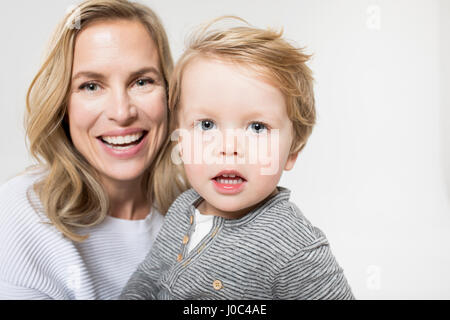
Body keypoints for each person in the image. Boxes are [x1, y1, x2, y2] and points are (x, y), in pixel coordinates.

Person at [120, 17, 355, 300]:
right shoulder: (184, 208)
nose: (229, 148)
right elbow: (148, 278)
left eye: (257, 127)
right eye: (206, 125)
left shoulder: (294, 247)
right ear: (180, 140)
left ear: (292, 150)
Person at [0, 0, 187, 299]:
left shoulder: (202, 216)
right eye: (91, 86)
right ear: (63, 105)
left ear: (169, 95)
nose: (122, 112)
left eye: (142, 81)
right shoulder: (20, 215)